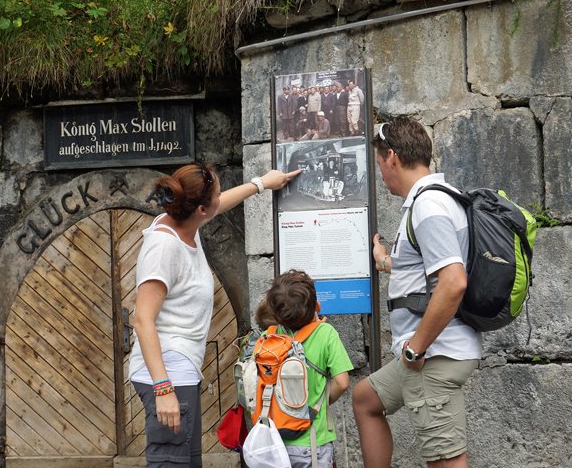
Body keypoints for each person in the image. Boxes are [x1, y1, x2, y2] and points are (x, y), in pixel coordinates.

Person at [131, 162, 301, 467]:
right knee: (171, 462)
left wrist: (262, 183)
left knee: (188, 461)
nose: (219, 199)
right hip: (167, 373)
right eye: (216, 195)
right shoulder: (164, 247)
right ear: (200, 210)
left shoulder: (184, 223)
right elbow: (142, 319)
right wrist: (163, 389)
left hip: (180, 370)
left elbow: (219, 204)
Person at [352, 117, 478, 468]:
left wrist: (415, 348)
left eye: (379, 164)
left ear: (391, 157)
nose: (381, 173)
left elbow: (453, 281)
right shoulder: (437, 199)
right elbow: (430, 269)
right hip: (430, 351)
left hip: (431, 355)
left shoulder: (427, 205)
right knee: (365, 399)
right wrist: (387, 261)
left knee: (446, 461)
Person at [264, 270, 353, 468]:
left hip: (275, 442)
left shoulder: (268, 337)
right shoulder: (325, 333)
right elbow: (342, 382)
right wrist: (323, 399)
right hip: (313, 440)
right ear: (315, 305)